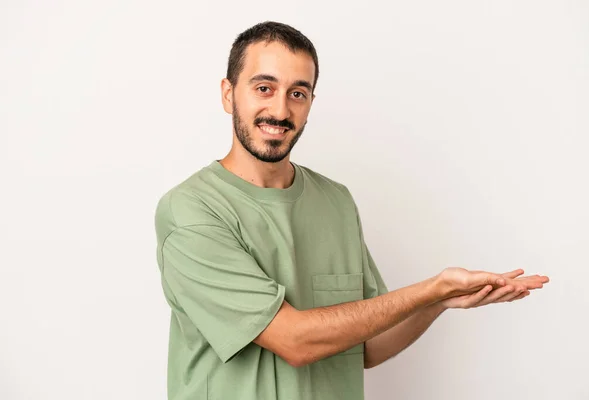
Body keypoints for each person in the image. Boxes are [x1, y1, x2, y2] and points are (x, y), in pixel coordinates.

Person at [154, 21, 549, 400]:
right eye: (263, 87)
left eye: (297, 93)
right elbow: (294, 340)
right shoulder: (190, 211)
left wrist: (439, 302)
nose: (280, 109)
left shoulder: (336, 201)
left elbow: (370, 347)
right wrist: (431, 287)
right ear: (229, 94)